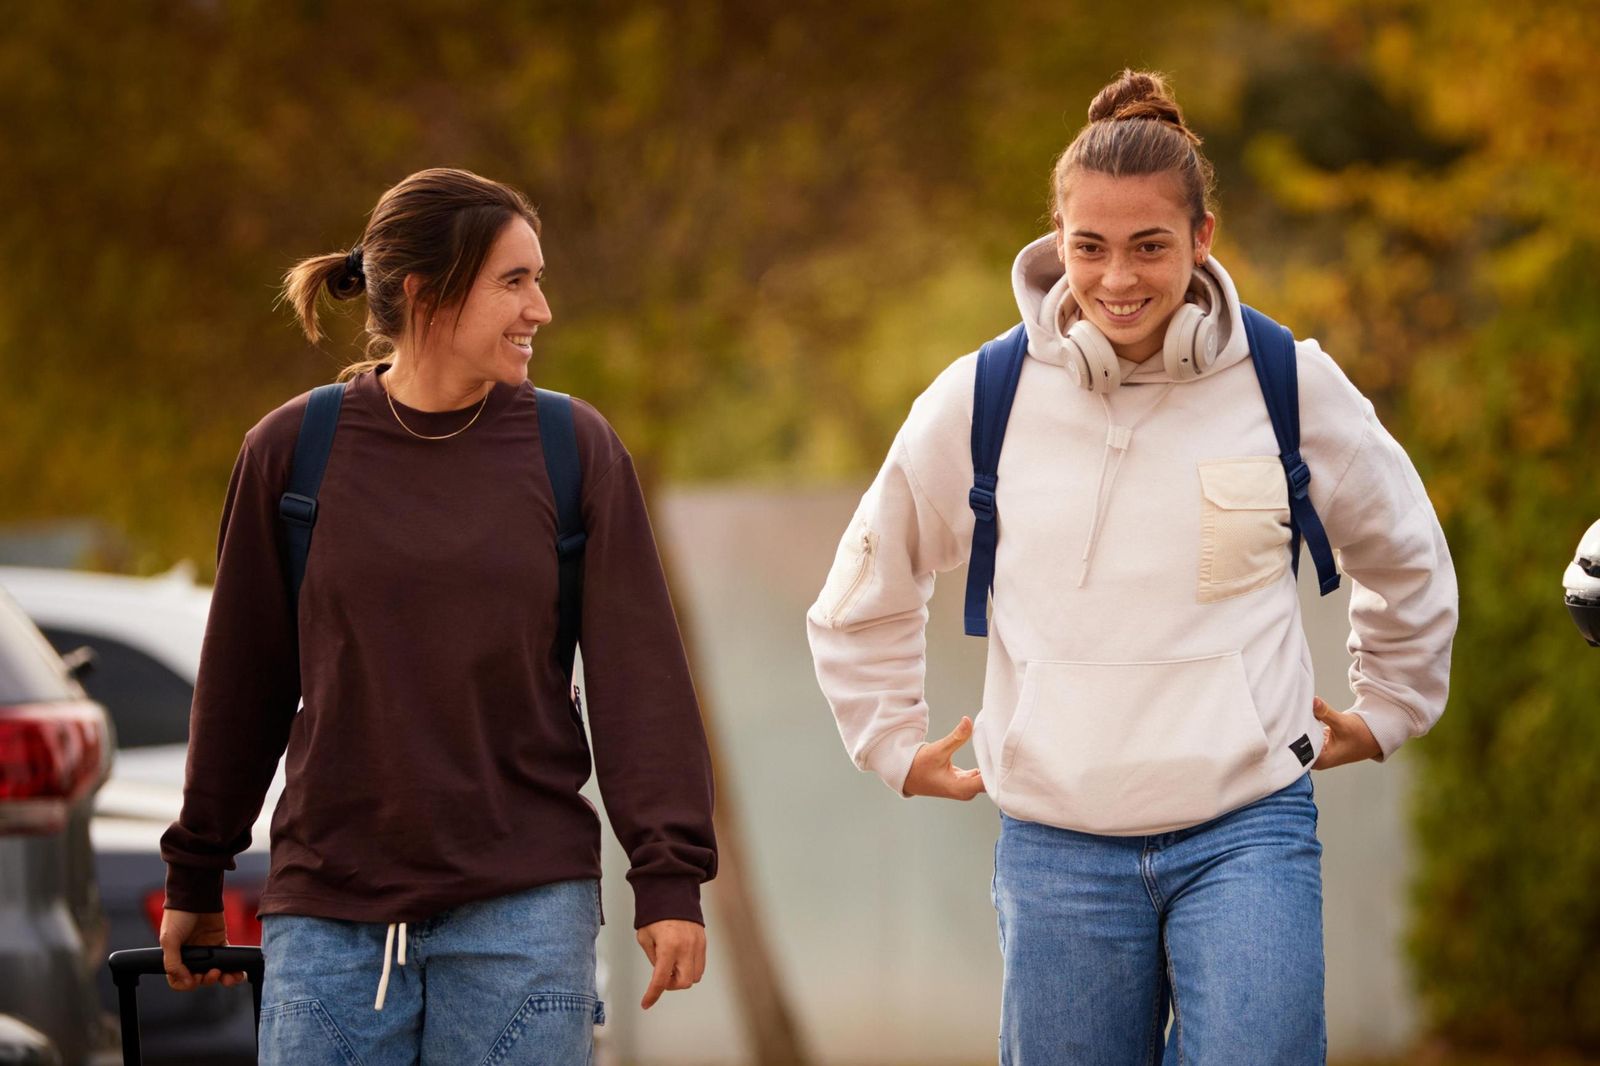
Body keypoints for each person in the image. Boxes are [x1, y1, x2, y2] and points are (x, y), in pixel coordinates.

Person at [807, 71, 1456, 1064]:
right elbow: (867, 585)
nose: (1116, 278)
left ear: (1201, 240)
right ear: (1055, 244)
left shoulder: (1288, 382)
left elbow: (1403, 547)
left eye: (1149, 245)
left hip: (1247, 833)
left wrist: (1392, 700)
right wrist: (890, 741)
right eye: (1089, 247)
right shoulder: (982, 398)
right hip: (1056, 849)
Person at [158, 167, 717, 1065]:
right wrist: (197, 866)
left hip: (524, 915)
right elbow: (242, 685)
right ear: (426, 292)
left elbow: (638, 681)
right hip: (329, 919)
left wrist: (668, 876)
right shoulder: (292, 452)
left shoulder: (572, 449)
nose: (541, 309)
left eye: (538, 279)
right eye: (514, 281)